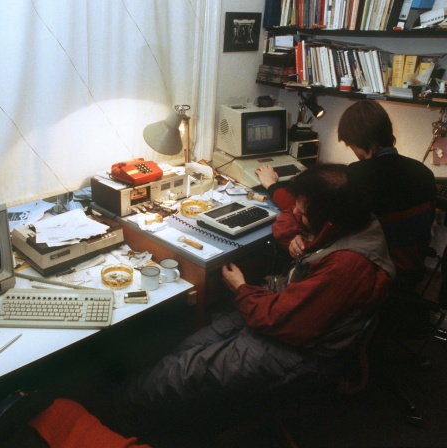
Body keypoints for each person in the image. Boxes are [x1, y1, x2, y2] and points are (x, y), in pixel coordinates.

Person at [100, 164, 395, 443]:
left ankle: (115, 423)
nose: (295, 213)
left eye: (303, 214)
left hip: (301, 354)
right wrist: (295, 230)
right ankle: (149, 398)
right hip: (285, 312)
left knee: (183, 372)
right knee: (187, 348)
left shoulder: (347, 265)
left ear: (327, 222)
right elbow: (287, 219)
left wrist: (241, 288)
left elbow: (279, 320)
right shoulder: (356, 219)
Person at [256, 100, 437, 290]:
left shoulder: (357, 177)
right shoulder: (423, 172)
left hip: (375, 273)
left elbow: (304, 208)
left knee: (289, 230)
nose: (354, 152)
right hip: (412, 270)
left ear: (362, 142)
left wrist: (272, 186)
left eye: (352, 145)